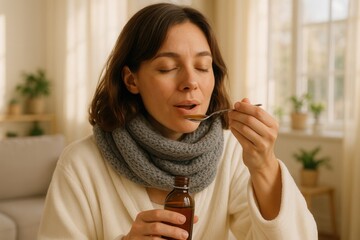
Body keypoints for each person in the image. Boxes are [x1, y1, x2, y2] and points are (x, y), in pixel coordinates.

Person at [38, 3, 317, 240]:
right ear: (131, 80)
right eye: (168, 68)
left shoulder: (232, 154)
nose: (191, 82)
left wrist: (264, 164)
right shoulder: (80, 163)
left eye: (202, 67)